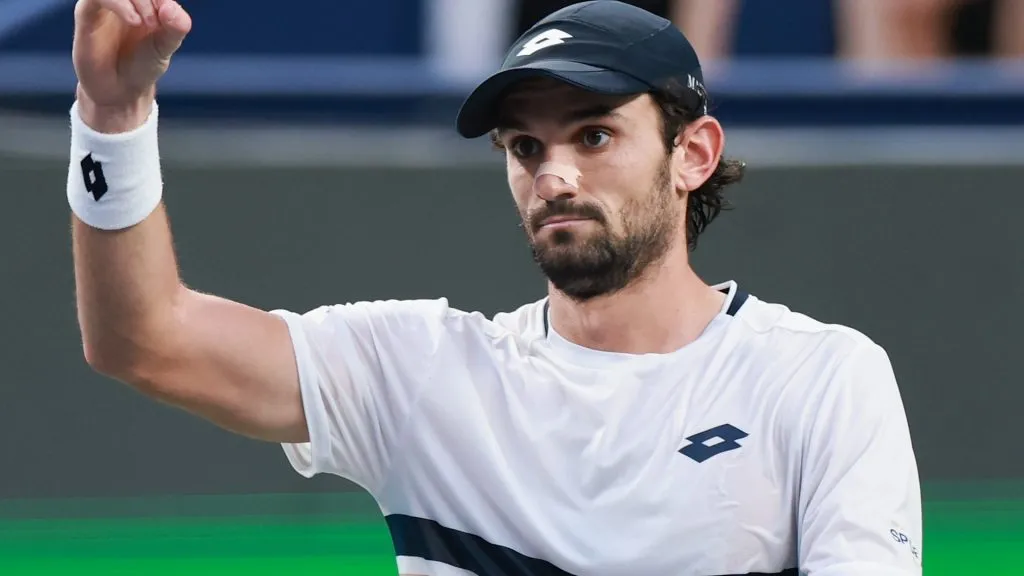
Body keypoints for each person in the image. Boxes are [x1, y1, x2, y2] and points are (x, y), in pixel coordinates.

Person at [68, 0, 923, 574]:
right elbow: (143, 338)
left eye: (594, 136)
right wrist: (112, 119)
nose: (553, 175)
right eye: (525, 147)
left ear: (692, 154)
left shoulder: (822, 377)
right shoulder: (419, 371)